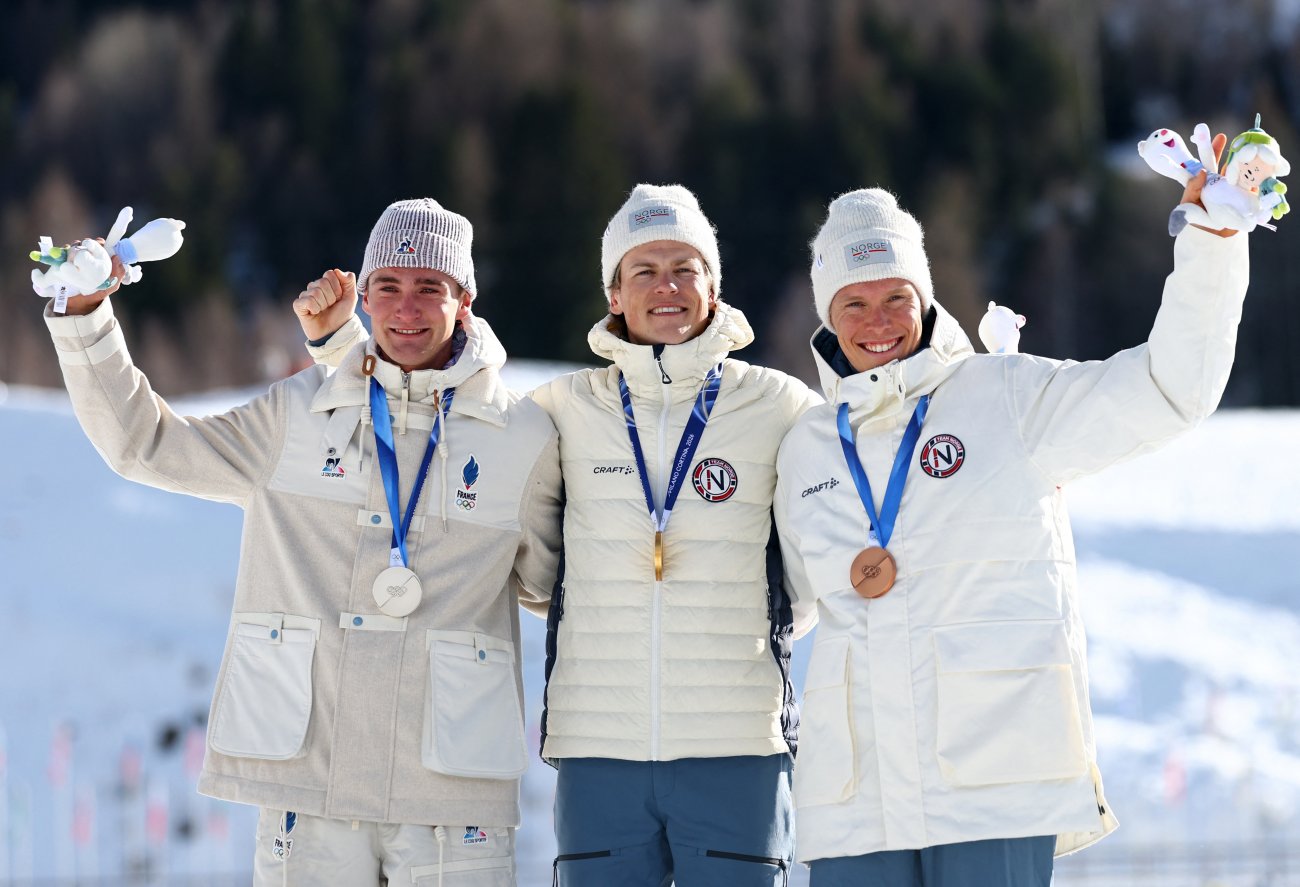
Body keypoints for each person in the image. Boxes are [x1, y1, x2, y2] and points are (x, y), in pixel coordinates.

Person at [302, 184, 822, 886]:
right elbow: (425, 410)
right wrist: (338, 345)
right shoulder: (562, 410)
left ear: (713, 286)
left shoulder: (780, 405)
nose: (666, 287)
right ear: (615, 293)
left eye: (684, 268)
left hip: (738, 747)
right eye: (644, 270)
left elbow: (813, 561)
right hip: (597, 748)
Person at [45, 198, 562, 886]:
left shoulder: (523, 440)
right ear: (366, 297)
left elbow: (558, 591)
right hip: (310, 783)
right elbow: (147, 444)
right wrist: (87, 319)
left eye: (429, 287)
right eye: (388, 286)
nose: (406, 308)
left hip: (451, 791)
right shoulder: (297, 414)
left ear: (465, 300)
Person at [772, 146, 1249, 886]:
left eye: (895, 296)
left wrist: (1210, 248)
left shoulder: (1005, 397)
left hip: (993, 786)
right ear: (827, 316)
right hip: (856, 804)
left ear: (925, 297)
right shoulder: (806, 448)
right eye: (853, 303)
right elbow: (785, 604)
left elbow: (1166, 388)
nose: (877, 322)